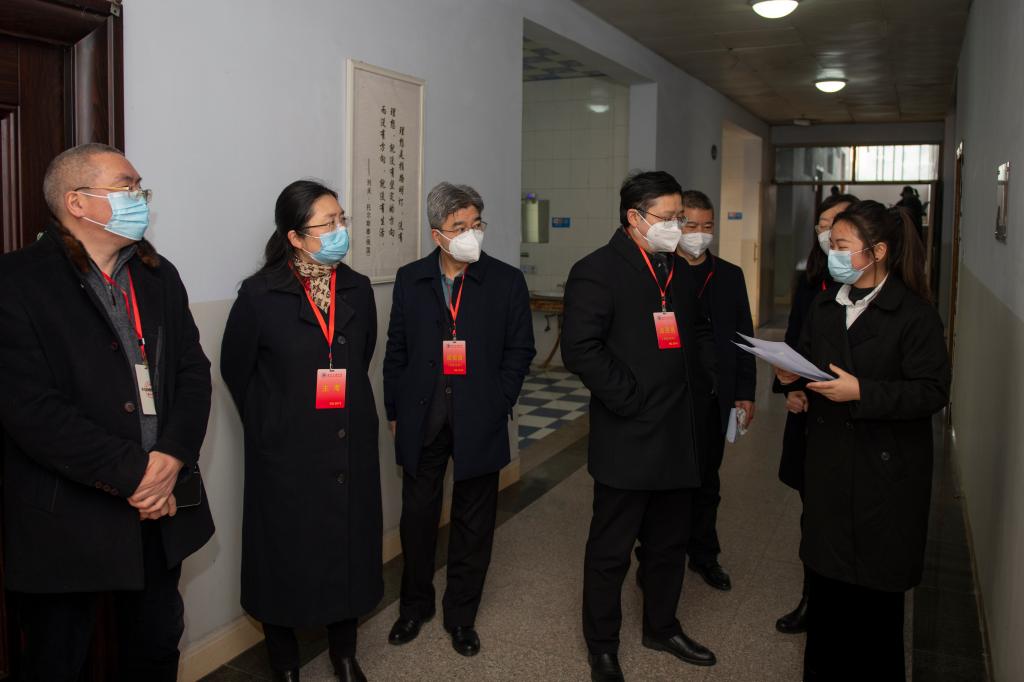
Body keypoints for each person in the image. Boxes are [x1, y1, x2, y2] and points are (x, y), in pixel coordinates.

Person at [0, 143, 214, 680]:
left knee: (156, 647)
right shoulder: (17, 281)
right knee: (57, 660)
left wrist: (171, 456)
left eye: (140, 188)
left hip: (159, 508)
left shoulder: (157, 274)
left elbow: (192, 371)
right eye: (126, 187)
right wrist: (136, 474)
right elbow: (30, 409)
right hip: (69, 515)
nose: (139, 198)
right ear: (77, 201)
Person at [777, 201, 949, 681]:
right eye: (831, 244)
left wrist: (863, 392)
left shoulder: (914, 314)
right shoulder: (825, 305)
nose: (832, 253)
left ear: (877, 251)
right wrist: (792, 378)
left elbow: (932, 390)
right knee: (827, 603)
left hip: (884, 476)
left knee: (874, 612)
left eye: (842, 245)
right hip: (830, 467)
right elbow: (810, 360)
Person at [221, 180, 380, 681]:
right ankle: (285, 663)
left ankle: (344, 654)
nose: (338, 230)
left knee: (346, 549)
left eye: (341, 219)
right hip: (286, 455)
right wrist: (272, 426)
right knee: (282, 558)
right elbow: (236, 370)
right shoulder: (259, 294)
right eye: (326, 223)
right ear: (294, 236)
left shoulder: (357, 288)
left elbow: (361, 356)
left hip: (347, 444)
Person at [562, 171, 717, 681]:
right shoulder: (596, 271)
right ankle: (602, 645)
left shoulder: (678, 270)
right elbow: (581, 349)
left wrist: (704, 383)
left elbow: (697, 330)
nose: (677, 227)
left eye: (680, 217)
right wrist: (630, 398)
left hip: (679, 433)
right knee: (611, 550)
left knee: (669, 543)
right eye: (668, 218)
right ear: (634, 217)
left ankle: (662, 626)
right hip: (629, 434)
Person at [383, 182, 535, 657]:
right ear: (437, 235)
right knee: (418, 519)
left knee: (474, 522)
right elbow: (396, 351)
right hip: (423, 417)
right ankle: (414, 606)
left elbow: (520, 350)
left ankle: (461, 615)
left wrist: (498, 401)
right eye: (459, 227)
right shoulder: (411, 279)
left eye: (476, 224)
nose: (472, 234)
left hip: (479, 419)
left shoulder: (505, 281)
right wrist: (394, 411)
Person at [773, 192, 858, 634]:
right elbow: (794, 340)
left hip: (857, 418)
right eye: (823, 226)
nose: (828, 233)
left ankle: (851, 602)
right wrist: (790, 387)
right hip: (811, 411)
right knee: (815, 512)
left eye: (837, 225)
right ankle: (812, 598)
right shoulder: (813, 282)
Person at [672, 189, 755, 592]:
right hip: (671, 400)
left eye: (707, 226)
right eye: (691, 225)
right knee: (669, 484)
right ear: (677, 225)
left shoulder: (729, 275)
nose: (699, 234)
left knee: (708, 482)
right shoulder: (662, 270)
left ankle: (704, 555)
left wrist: (745, 391)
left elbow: (744, 338)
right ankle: (657, 556)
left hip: (714, 397)